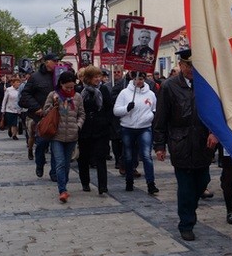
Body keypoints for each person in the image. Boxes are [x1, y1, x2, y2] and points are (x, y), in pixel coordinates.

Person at [153, 49, 218, 241]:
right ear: (180, 65)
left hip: (203, 143)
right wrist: (159, 145)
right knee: (186, 187)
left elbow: (217, 112)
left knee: (202, 181)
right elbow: (161, 118)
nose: (191, 69)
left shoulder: (207, 85)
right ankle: (186, 223)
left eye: (195, 65)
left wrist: (215, 132)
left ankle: (190, 207)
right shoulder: (169, 86)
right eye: (188, 65)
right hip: (180, 142)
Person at [42, 71, 85, 203]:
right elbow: (45, 112)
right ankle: (62, 190)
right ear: (61, 84)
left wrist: (78, 126)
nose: (69, 90)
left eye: (72, 87)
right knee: (60, 163)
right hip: (57, 135)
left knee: (66, 164)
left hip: (72, 135)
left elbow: (82, 114)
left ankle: (63, 183)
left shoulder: (77, 97)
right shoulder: (53, 95)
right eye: (67, 87)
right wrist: (53, 106)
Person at [113, 71, 157, 193]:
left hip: (144, 128)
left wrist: (150, 116)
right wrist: (126, 108)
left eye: (142, 79)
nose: (139, 82)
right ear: (132, 79)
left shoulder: (151, 94)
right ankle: (129, 180)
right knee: (128, 156)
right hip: (128, 127)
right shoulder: (124, 93)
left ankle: (151, 183)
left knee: (146, 156)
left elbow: (154, 109)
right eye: (137, 79)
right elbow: (116, 111)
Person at [19, 53, 59, 181]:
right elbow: (25, 95)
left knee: (56, 146)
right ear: (46, 62)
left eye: (57, 61)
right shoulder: (35, 77)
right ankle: (40, 163)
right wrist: (37, 108)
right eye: (54, 61)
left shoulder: (59, 75)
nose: (56, 63)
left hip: (57, 116)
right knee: (41, 144)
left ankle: (54, 172)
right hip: (41, 117)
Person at [77, 65, 113, 195]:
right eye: (95, 77)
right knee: (84, 158)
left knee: (100, 158)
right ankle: (85, 182)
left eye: (99, 76)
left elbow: (109, 108)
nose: (98, 79)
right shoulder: (81, 90)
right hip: (85, 129)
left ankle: (103, 186)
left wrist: (106, 122)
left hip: (100, 129)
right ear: (88, 78)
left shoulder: (103, 89)